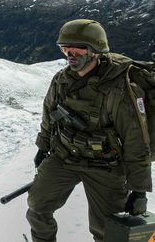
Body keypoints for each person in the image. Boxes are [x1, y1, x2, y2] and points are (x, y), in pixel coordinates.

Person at [27, 19, 152, 242]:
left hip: (106, 166)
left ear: (95, 52)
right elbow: (49, 116)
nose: (70, 54)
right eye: (65, 49)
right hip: (65, 156)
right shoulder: (61, 81)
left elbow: (136, 141)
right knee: (37, 205)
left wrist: (139, 189)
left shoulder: (119, 89)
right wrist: (42, 147)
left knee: (107, 229)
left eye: (77, 49)